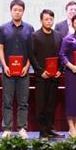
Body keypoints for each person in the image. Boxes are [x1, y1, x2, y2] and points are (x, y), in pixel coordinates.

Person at [0, 0, 35, 139]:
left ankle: (22, 128)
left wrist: (27, 66)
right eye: (15, 10)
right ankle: (7, 128)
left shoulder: (29, 28)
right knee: (7, 101)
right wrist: (4, 65)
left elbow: (32, 50)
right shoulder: (4, 28)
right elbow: (0, 48)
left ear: (23, 12)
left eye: (20, 10)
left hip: (24, 71)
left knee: (23, 102)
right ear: (11, 11)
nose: (17, 12)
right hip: (8, 71)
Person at [28, 9, 64, 139]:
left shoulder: (58, 36)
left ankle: (50, 129)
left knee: (51, 104)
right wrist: (40, 71)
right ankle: (43, 131)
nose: (49, 21)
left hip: (54, 76)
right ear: (41, 21)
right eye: (46, 19)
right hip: (42, 76)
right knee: (41, 105)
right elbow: (32, 56)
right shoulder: (35, 36)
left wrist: (60, 69)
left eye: (51, 19)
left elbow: (62, 55)